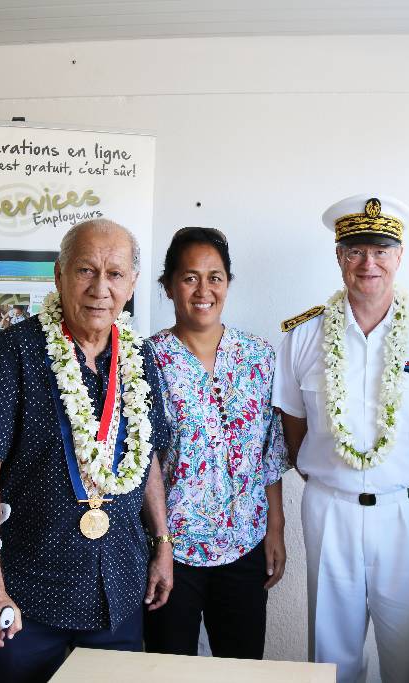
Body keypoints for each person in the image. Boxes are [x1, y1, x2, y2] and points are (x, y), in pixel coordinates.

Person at [0, 218, 173, 683]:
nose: (100, 287)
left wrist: (161, 544)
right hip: (28, 593)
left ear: (132, 283)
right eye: (85, 271)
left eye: (115, 273)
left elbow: (149, 458)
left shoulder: (142, 357)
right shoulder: (15, 351)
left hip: (116, 589)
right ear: (59, 276)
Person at [273, 194, 409, 683]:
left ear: (400, 256)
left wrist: (406, 483)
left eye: (381, 249)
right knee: (331, 657)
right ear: (338, 256)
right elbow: (293, 429)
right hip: (330, 507)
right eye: (355, 249)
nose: (368, 262)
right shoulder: (302, 335)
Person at [143, 226, 290, 659]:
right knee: (169, 666)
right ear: (168, 285)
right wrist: (159, 543)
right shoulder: (145, 360)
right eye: (189, 277)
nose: (203, 289)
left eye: (215, 277)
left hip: (244, 543)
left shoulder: (260, 356)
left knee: (242, 666)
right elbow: (143, 461)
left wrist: (275, 529)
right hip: (172, 549)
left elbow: (270, 454)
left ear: (228, 283)